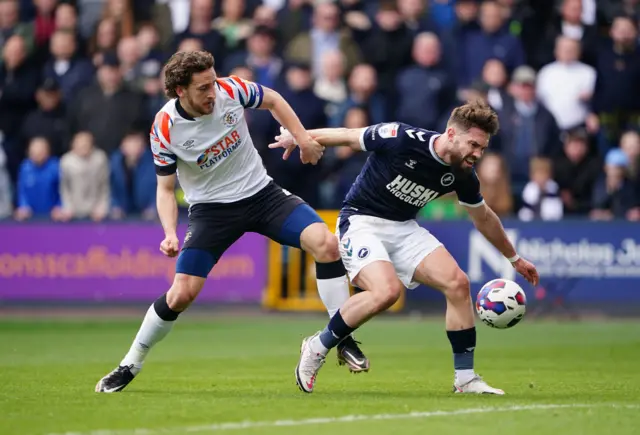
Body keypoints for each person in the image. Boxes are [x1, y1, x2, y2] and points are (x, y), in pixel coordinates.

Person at [95, 50, 369, 393]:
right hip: (212, 212)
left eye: (213, 82)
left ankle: (341, 335)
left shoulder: (231, 89)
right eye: (203, 88)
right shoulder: (165, 127)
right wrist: (168, 232)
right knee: (181, 294)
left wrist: (303, 139)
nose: (213, 92)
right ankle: (129, 364)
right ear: (180, 90)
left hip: (261, 195)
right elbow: (165, 189)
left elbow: (273, 99)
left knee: (326, 244)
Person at [270, 100, 540, 395]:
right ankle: (317, 347)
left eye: (483, 148)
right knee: (386, 292)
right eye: (473, 144)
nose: (477, 154)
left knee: (458, 284)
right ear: (451, 134)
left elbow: (484, 217)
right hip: (361, 221)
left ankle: (465, 379)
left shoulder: (463, 174)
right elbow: (347, 135)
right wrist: (299, 137)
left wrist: (513, 258)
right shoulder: (400, 138)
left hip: (403, 228)